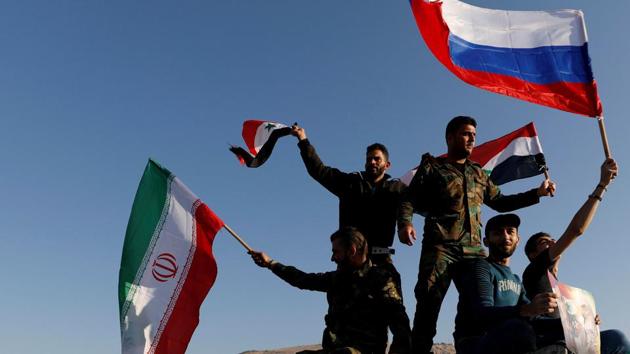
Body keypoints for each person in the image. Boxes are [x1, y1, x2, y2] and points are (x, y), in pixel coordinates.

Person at [396, 116, 556, 353]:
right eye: (466, 134)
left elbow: (501, 202)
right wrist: (405, 223)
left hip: (472, 252)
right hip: (440, 248)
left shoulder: (478, 174)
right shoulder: (433, 167)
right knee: (429, 305)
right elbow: (408, 198)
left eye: (474, 135)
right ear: (450, 138)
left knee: (480, 304)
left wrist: (537, 193)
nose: (471, 138)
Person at [523, 158, 630, 354]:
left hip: (573, 341)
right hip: (550, 342)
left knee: (616, 339)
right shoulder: (534, 272)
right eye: (544, 243)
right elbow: (575, 230)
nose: (553, 243)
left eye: (553, 239)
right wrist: (602, 185)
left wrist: (588, 321)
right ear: (532, 255)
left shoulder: (560, 287)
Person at [249, 227, 412, 354]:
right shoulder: (337, 279)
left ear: (352, 250)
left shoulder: (381, 279)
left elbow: (400, 327)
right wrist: (270, 263)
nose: (332, 258)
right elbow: (303, 279)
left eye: (336, 252)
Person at [291, 124, 407, 284]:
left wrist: (405, 224)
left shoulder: (397, 189)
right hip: (351, 259)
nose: (372, 162)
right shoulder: (350, 183)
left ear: (387, 165)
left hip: (381, 259)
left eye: (377, 159)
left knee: (391, 304)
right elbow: (319, 171)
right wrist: (303, 140)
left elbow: (411, 206)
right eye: (369, 159)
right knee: (344, 304)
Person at [454, 214, 565, 354]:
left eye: (510, 232)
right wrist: (527, 309)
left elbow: (533, 318)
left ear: (517, 240)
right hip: (476, 343)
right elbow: (482, 314)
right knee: (519, 328)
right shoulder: (481, 268)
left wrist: (572, 324)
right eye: (498, 233)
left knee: (562, 339)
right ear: (486, 241)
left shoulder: (516, 280)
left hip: (510, 340)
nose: (505, 237)